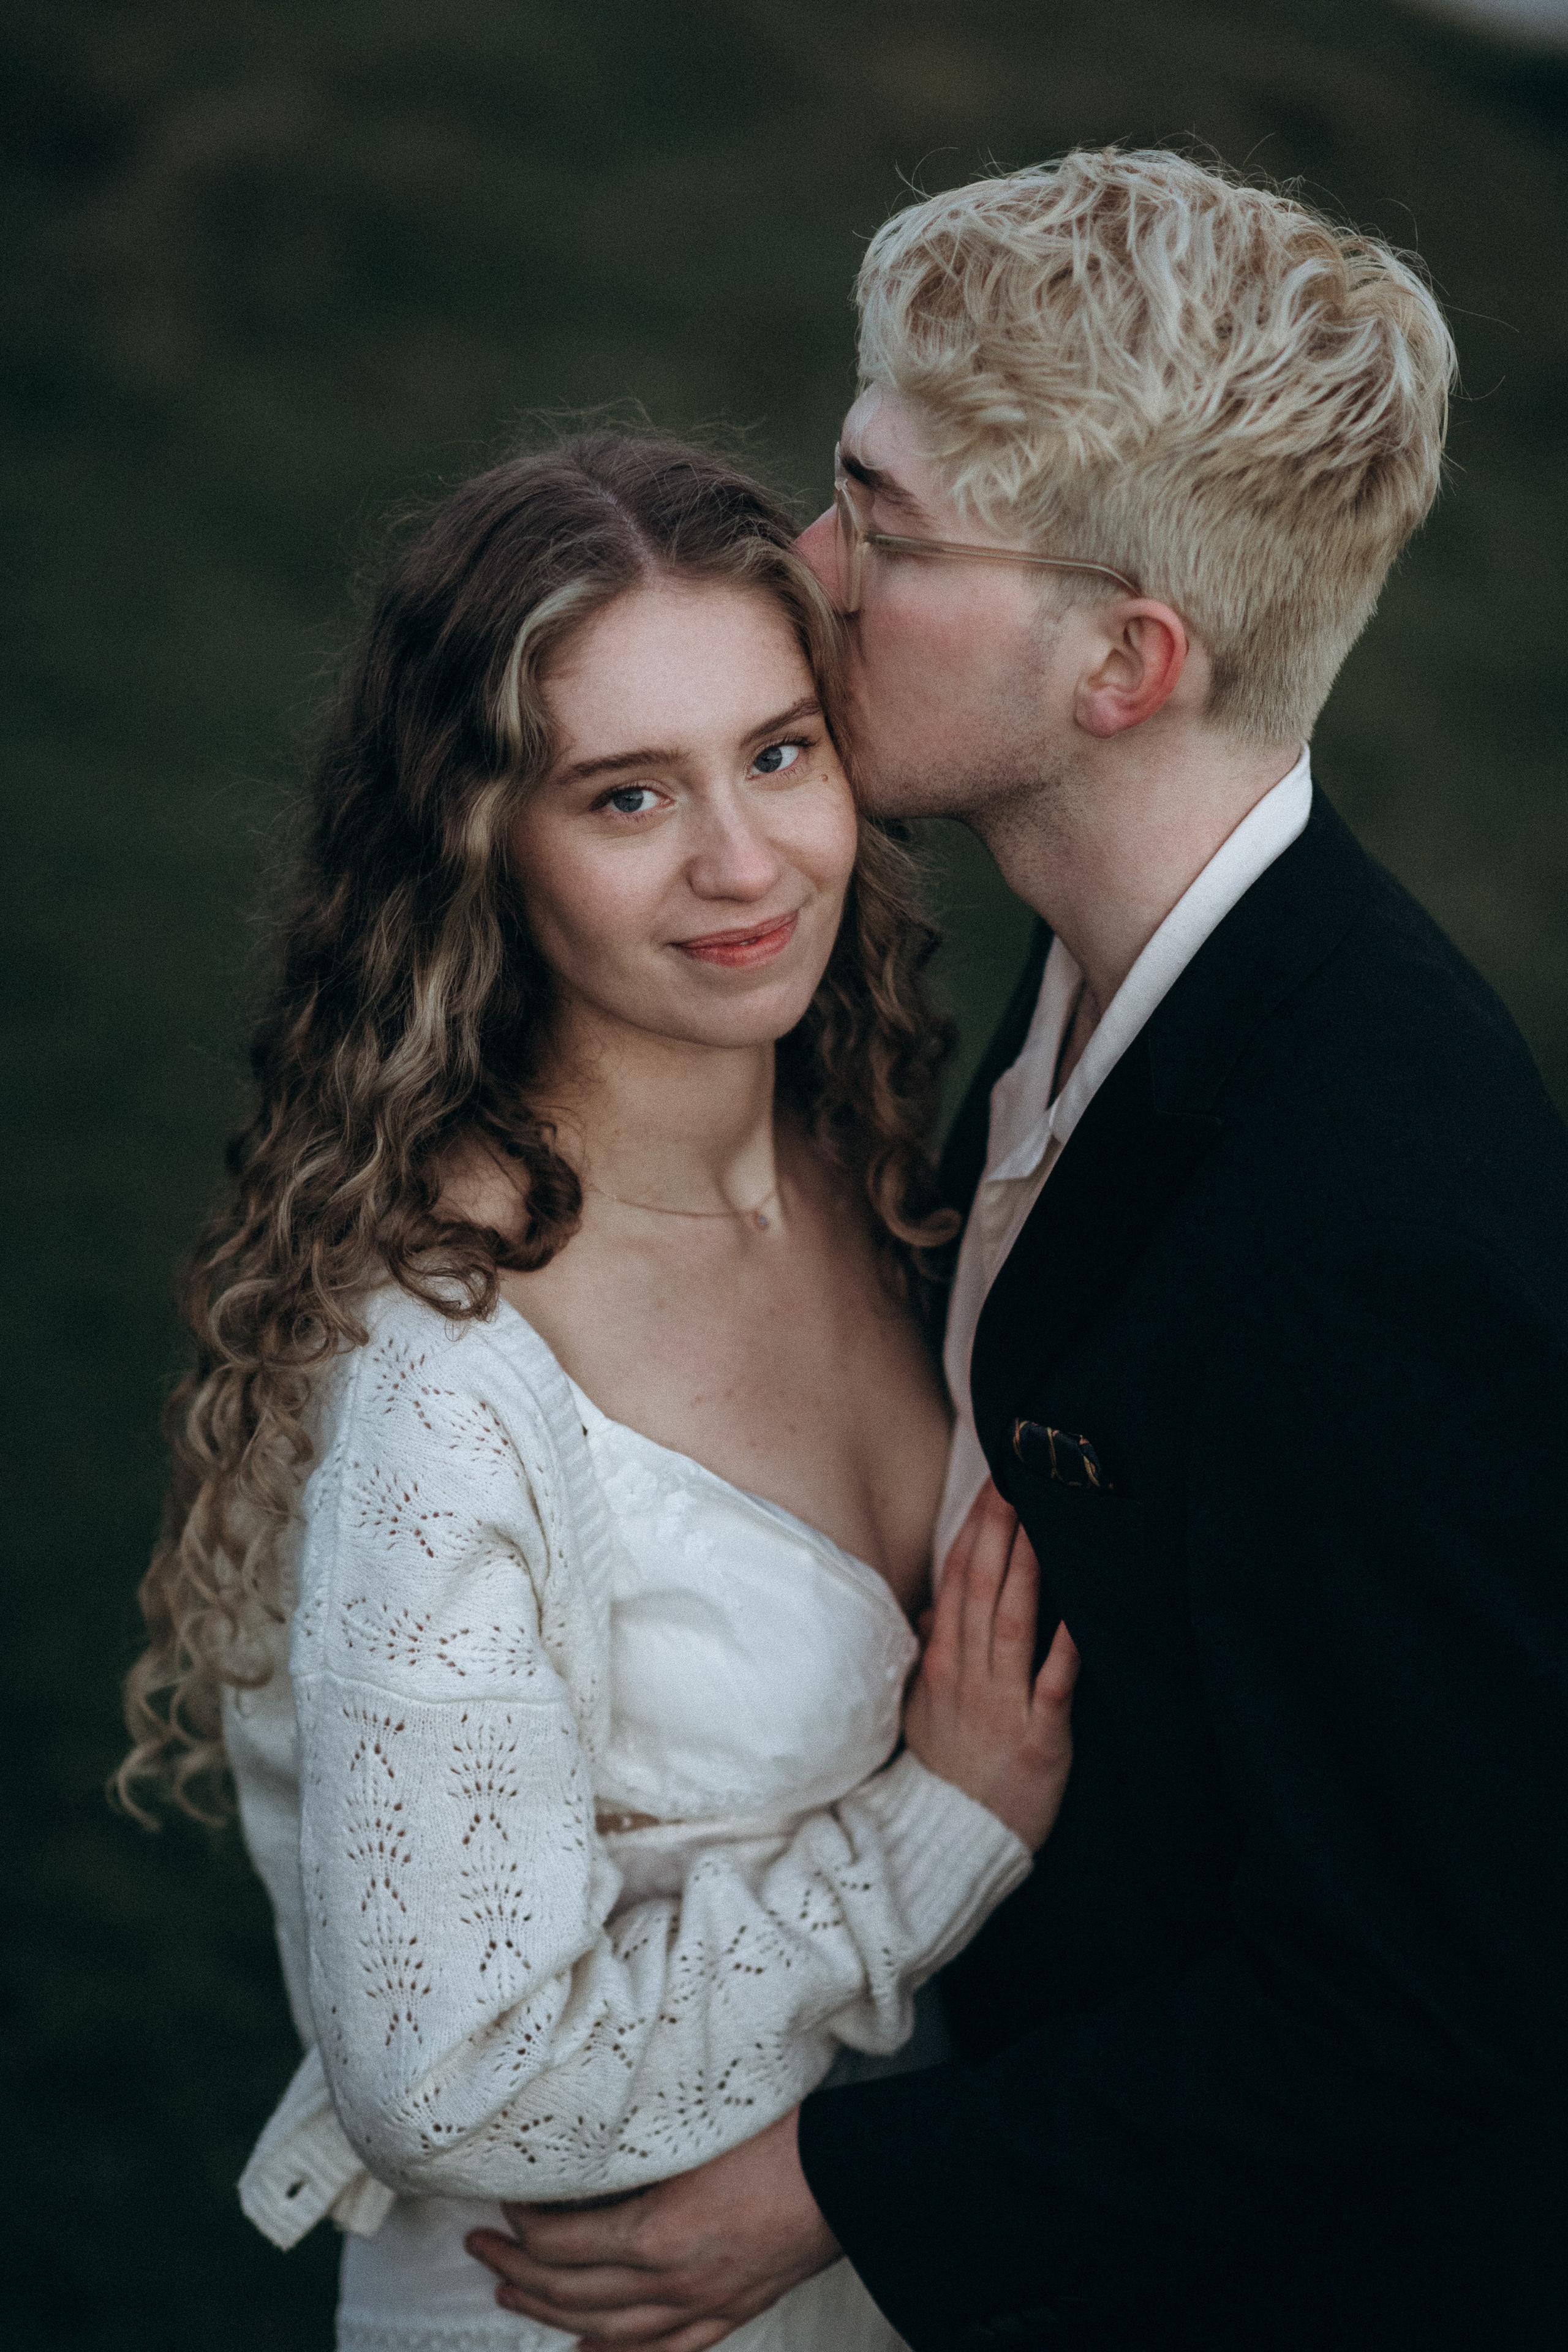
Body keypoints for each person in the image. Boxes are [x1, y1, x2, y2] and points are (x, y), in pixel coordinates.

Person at [472, 151, 1568, 2351]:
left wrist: (837, 2187)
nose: (810, 562)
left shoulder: (1382, 1212)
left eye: (886, 519)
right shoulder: (1097, 978)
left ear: (1126, 662)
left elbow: (1430, 1994)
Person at [118, 434, 1084, 2352]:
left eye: (780, 753)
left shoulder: (863, 1169)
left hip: (884, 2274)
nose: (742, 863)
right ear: (481, 843)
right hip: (582, 2317)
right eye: (627, 794)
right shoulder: (450, 1378)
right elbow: (446, 2078)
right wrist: (936, 1836)